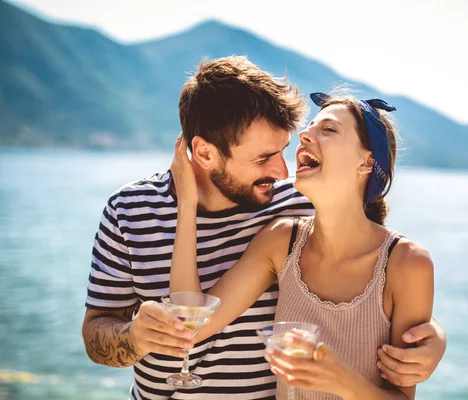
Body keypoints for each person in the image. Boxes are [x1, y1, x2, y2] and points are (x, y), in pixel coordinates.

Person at [81, 56, 447, 400]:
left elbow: (380, 270)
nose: (281, 172)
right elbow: (101, 332)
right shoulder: (128, 211)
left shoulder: (297, 203)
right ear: (205, 153)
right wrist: (135, 337)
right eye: (264, 158)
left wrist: (433, 337)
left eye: (283, 150)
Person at [169, 90, 434, 399]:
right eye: (309, 126)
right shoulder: (281, 241)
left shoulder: (407, 264)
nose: (305, 134)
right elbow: (191, 324)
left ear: (366, 162)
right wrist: (187, 203)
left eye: (329, 129)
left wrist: (339, 380)